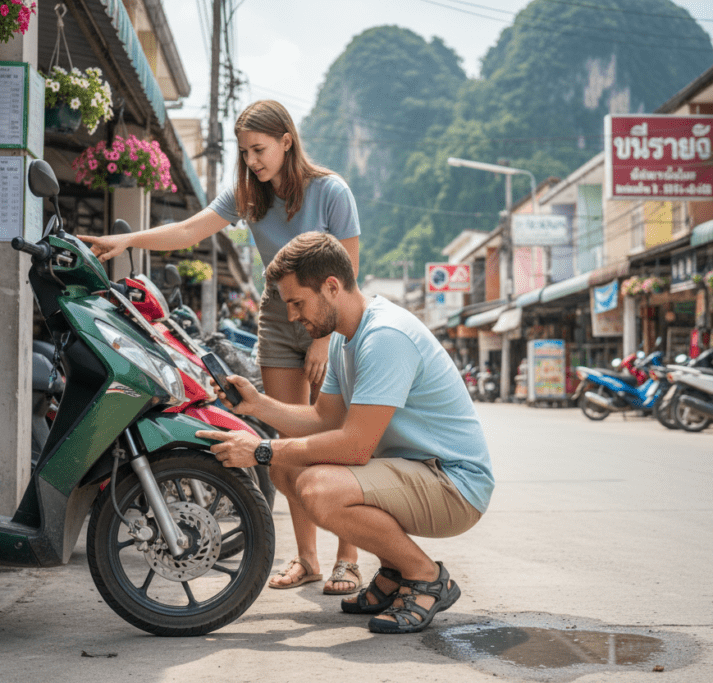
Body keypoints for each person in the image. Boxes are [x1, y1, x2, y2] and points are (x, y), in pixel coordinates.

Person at [78, 100, 364, 595]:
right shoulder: (248, 196)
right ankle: (308, 559)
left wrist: (328, 338)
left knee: (332, 437)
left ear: (286, 141)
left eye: (260, 149)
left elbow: (350, 273)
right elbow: (190, 228)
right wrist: (124, 242)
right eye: (245, 151)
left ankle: (349, 558)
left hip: (328, 317)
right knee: (285, 445)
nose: (253, 160)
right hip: (278, 316)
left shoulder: (331, 191)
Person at [195, 232, 495, 634]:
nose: (292, 317)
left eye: (297, 303)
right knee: (286, 470)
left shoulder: (385, 336)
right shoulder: (343, 338)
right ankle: (393, 571)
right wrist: (258, 405)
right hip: (413, 470)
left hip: (454, 484)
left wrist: (262, 449)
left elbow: (354, 446)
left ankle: (425, 576)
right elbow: (324, 419)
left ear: (331, 287)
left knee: (319, 487)